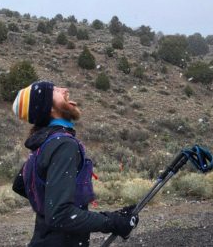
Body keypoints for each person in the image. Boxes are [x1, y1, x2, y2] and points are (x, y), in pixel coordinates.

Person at [12, 81, 139, 247]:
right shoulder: (63, 144)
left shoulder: (43, 143)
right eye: (55, 91)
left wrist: (53, 203)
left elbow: (20, 184)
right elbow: (60, 215)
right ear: (49, 108)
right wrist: (113, 221)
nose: (64, 90)